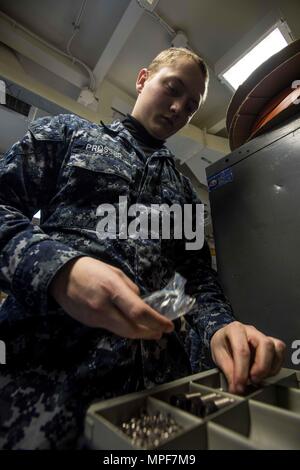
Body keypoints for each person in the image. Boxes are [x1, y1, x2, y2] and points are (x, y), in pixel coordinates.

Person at [0, 47, 285, 449]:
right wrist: (60, 270)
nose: (177, 108)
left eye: (190, 107)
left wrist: (220, 325)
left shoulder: (184, 193)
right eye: (173, 88)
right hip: (44, 386)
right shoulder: (69, 136)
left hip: (154, 402)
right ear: (141, 79)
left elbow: (198, 280)